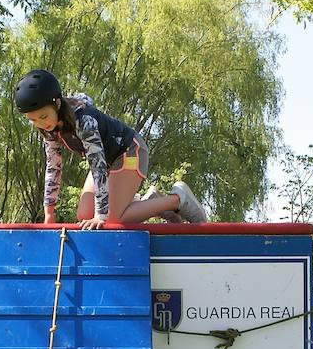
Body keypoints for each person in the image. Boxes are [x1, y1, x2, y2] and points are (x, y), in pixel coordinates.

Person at [13, 69, 209, 229]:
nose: (40, 123)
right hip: (106, 161)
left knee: (110, 219)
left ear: (56, 103)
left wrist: (100, 215)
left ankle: (177, 200)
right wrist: (49, 213)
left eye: (44, 117)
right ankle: (149, 202)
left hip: (129, 152)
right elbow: (53, 169)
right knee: (83, 215)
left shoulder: (84, 121)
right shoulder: (51, 131)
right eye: (33, 120)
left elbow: (97, 167)